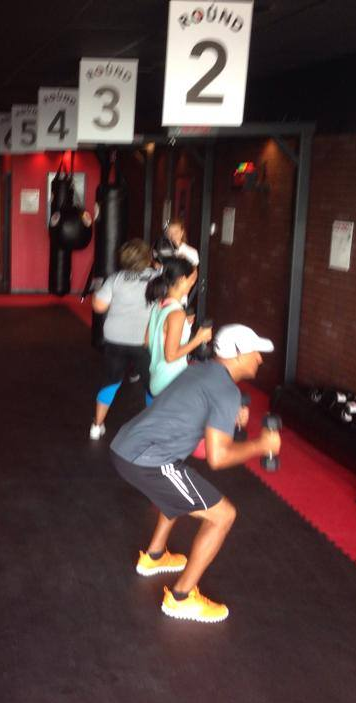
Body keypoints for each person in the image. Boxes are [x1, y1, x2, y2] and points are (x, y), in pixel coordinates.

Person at [109, 324, 281, 623]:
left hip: (126, 446)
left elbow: (191, 420)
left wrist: (229, 421)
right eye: (256, 352)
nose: (260, 359)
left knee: (179, 481)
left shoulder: (200, 371)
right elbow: (218, 457)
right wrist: (261, 445)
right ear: (238, 354)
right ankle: (181, 598)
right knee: (223, 516)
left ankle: (155, 556)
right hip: (146, 459)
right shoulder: (226, 391)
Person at [89, 238, 159, 440]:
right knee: (151, 385)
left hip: (115, 339)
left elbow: (99, 307)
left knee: (111, 381)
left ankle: (96, 426)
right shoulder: (156, 277)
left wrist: (97, 291)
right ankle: (152, 429)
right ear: (147, 258)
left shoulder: (116, 279)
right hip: (144, 341)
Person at [144, 257, 212, 398]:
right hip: (170, 382)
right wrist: (198, 339)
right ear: (181, 279)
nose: (194, 283)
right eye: (192, 279)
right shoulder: (176, 314)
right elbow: (170, 356)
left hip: (156, 378)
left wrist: (183, 326)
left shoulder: (159, 305)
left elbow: (147, 341)